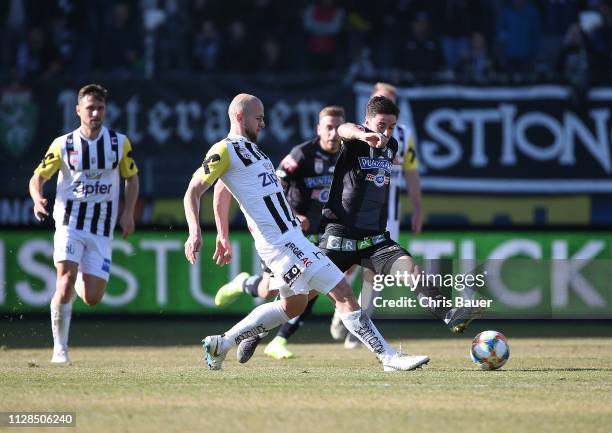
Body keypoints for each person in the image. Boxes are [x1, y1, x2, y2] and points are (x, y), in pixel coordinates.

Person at [183, 93, 429, 372]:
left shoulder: (254, 152)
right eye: (259, 117)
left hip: (291, 239)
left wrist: (222, 233)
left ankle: (221, 344)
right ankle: (388, 357)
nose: (263, 123)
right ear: (240, 117)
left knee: (293, 306)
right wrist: (196, 232)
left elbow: (223, 190)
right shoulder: (224, 150)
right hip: (280, 243)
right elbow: (194, 191)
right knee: (343, 291)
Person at [319, 96, 479, 338]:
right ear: (367, 121)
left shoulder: (392, 146)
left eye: (392, 126)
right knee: (301, 295)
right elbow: (344, 128)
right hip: (341, 234)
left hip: (374, 239)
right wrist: (362, 135)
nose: (386, 131)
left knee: (412, 270)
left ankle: (450, 315)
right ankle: (261, 326)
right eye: (381, 125)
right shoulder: (354, 141)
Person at [213, 106, 345, 360]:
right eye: (328, 127)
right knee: (268, 291)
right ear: (319, 129)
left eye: (337, 128)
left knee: (316, 284)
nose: (333, 133)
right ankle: (244, 284)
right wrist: (293, 214)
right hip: (285, 232)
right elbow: (274, 183)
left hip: (322, 231)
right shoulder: (301, 154)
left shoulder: (345, 155)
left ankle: (278, 337)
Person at [28, 84, 139, 364]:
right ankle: (60, 350)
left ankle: (78, 273)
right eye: (90, 107)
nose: (95, 113)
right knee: (64, 283)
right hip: (69, 222)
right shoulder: (63, 144)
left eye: (100, 108)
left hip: (102, 227)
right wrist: (37, 198)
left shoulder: (118, 143)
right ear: (78, 110)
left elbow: (131, 177)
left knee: (92, 297)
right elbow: (37, 177)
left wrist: (127, 213)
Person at [331, 82, 424, 349]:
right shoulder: (357, 132)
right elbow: (343, 131)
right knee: (346, 265)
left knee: (375, 273)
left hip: (387, 214)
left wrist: (418, 208)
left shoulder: (403, 138)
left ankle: (359, 328)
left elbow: (411, 174)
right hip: (352, 213)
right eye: (378, 99)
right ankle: (344, 309)